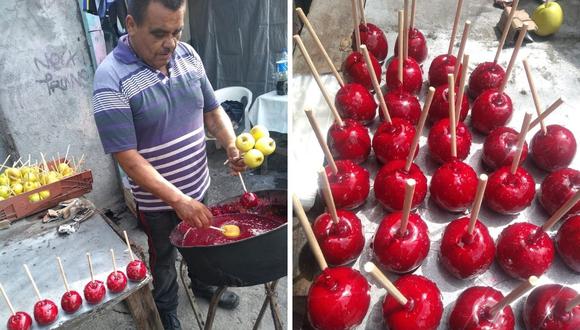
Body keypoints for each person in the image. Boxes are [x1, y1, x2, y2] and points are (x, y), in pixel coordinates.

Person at [91, 0, 245, 328]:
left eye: (177, 31)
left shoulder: (187, 55)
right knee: (163, 258)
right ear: (131, 24)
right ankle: (166, 308)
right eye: (159, 33)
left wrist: (231, 144)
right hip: (158, 204)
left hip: (199, 187)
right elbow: (127, 158)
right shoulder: (110, 80)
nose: (170, 43)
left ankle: (202, 284)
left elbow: (212, 111)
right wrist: (177, 200)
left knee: (201, 244)